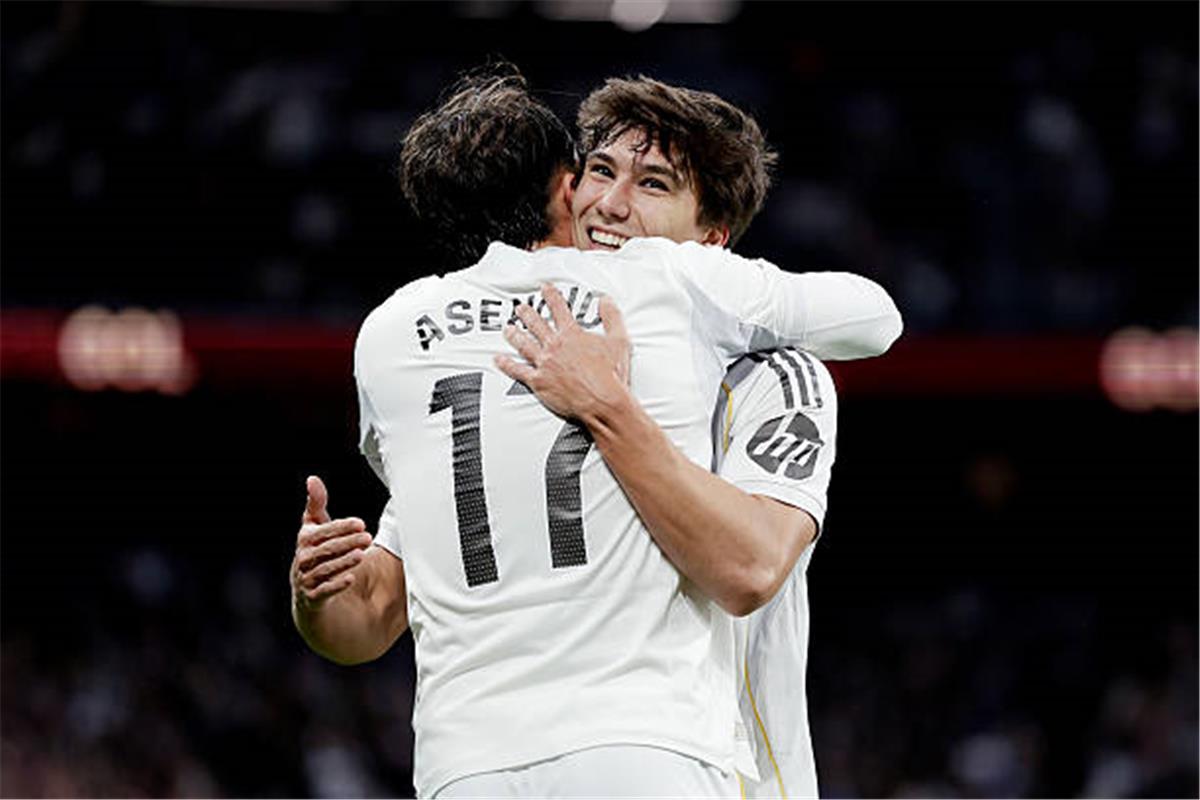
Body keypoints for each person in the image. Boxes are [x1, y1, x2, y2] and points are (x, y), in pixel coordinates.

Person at [290, 65, 899, 797]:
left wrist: (607, 405)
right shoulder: (522, 351)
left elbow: (750, 565)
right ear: (565, 186)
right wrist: (320, 595)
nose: (609, 203)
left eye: (653, 184)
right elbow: (372, 614)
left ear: (711, 240)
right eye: (599, 171)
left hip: (668, 763)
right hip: (642, 749)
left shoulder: (773, 375)